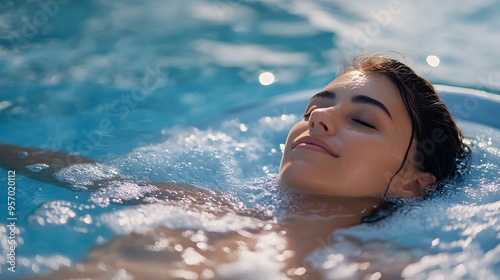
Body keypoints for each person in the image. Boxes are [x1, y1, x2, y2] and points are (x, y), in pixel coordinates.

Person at [0, 54, 470, 279]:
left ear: (413, 183)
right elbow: (71, 170)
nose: (320, 118)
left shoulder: (384, 269)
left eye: (363, 120)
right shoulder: (198, 211)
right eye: (313, 110)